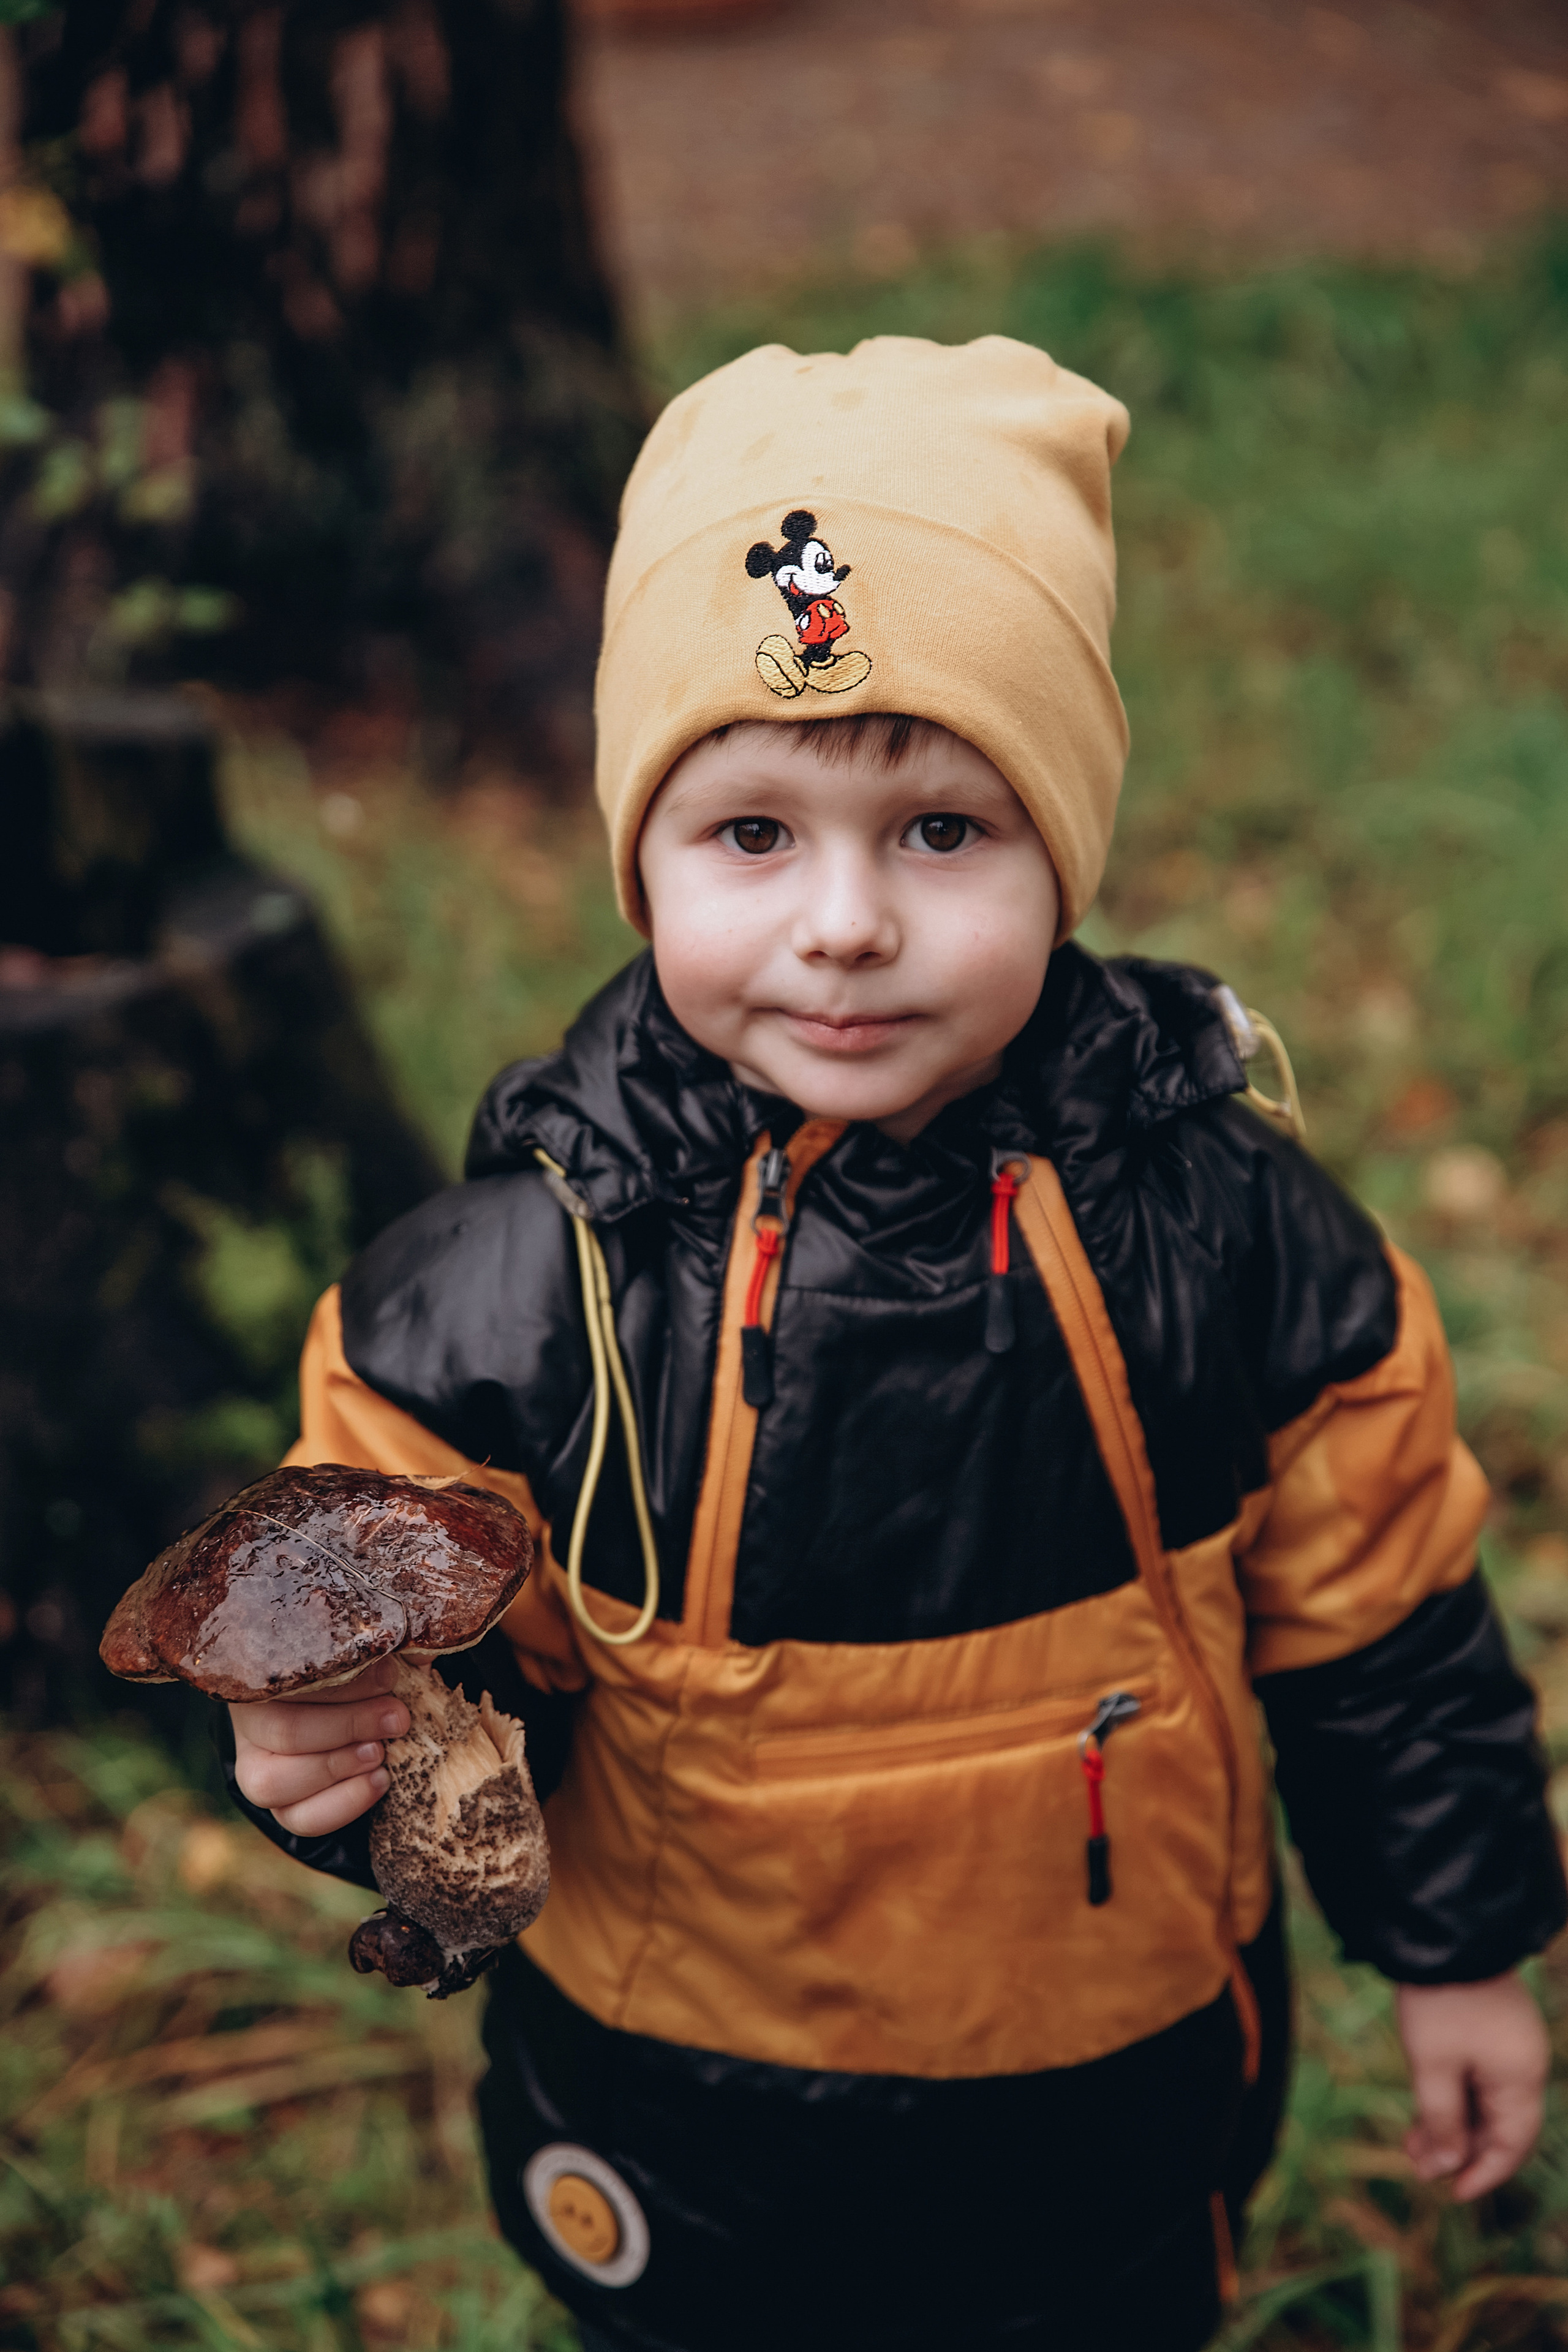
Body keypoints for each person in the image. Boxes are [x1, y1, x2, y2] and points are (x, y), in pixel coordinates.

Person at [222, 337, 1566, 2352]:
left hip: (1111, 2074)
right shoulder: (497, 1298)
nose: (845, 923)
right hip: (676, 2092)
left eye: (944, 832)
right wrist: (326, 1742)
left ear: (1065, 846)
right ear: (641, 853)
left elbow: (1382, 1629)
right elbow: (415, 1672)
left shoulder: (1228, 1239)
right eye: (750, 835)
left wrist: (1463, 1951)